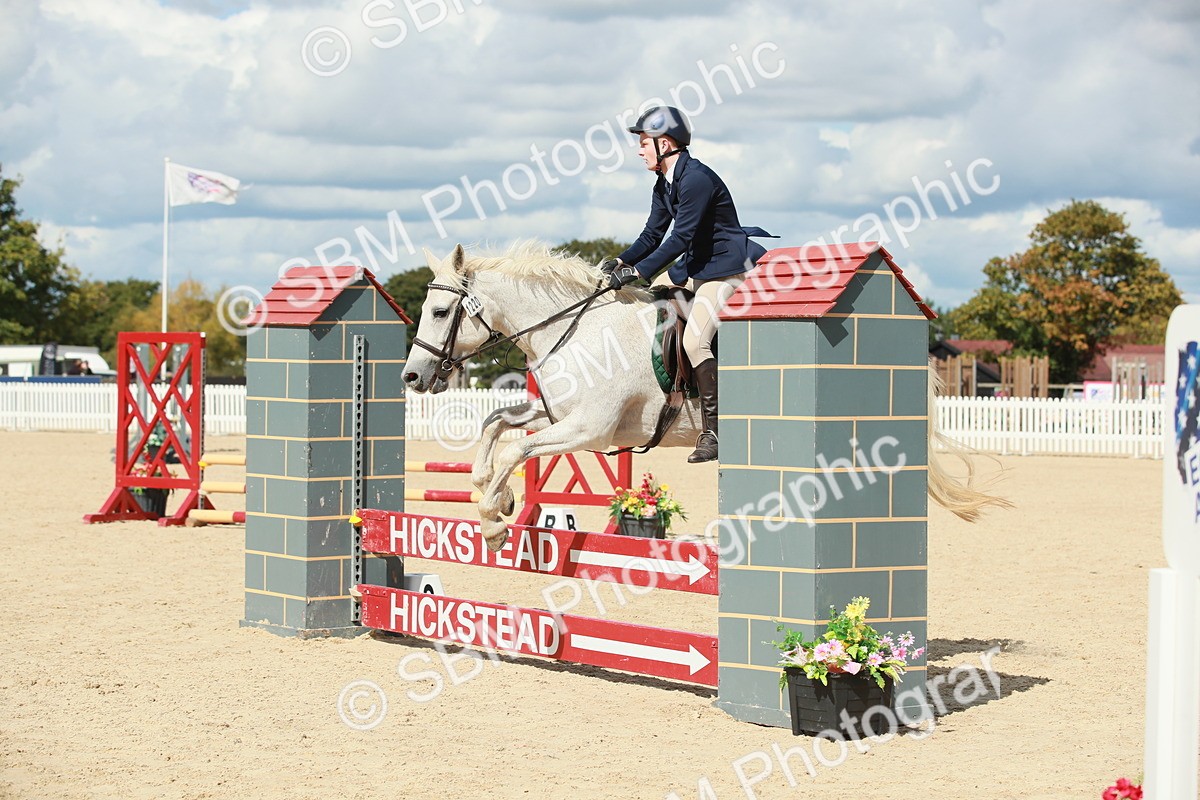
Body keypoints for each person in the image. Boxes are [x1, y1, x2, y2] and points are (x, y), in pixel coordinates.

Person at [603, 106, 772, 463]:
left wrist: (641, 271)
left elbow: (680, 237)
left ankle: (714, 433)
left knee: (695, 340)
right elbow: (652, 234)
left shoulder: (696, 179)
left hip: (727, 269)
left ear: (665, 143)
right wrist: (621, 261)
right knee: (646, 309)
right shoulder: (664, 183)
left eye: (644, 142)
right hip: (696, 267)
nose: (639, 150)